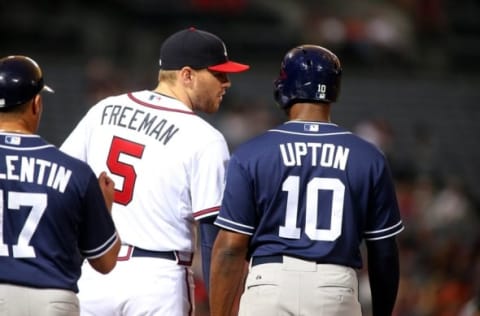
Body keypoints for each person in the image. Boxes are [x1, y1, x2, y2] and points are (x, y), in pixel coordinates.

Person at [60, 27, 249, 315]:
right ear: (187, 75)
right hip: (159, 280)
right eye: (218, 74)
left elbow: (62, 185)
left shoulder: (105, 109)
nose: (227, 83)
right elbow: (214, 241)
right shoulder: (205, 138)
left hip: (96, 273)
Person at [209, 45, 404, 316]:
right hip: (335, 288)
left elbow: (231, 246)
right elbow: (384, 252)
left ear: (284, 86)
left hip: (269, 284)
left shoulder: (251, 153)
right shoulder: (368, 157)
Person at [0, 55, 120, 316]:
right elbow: (106, 261)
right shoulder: (74, 171)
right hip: (52, 299)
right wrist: (105, 208)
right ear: (37, 103)